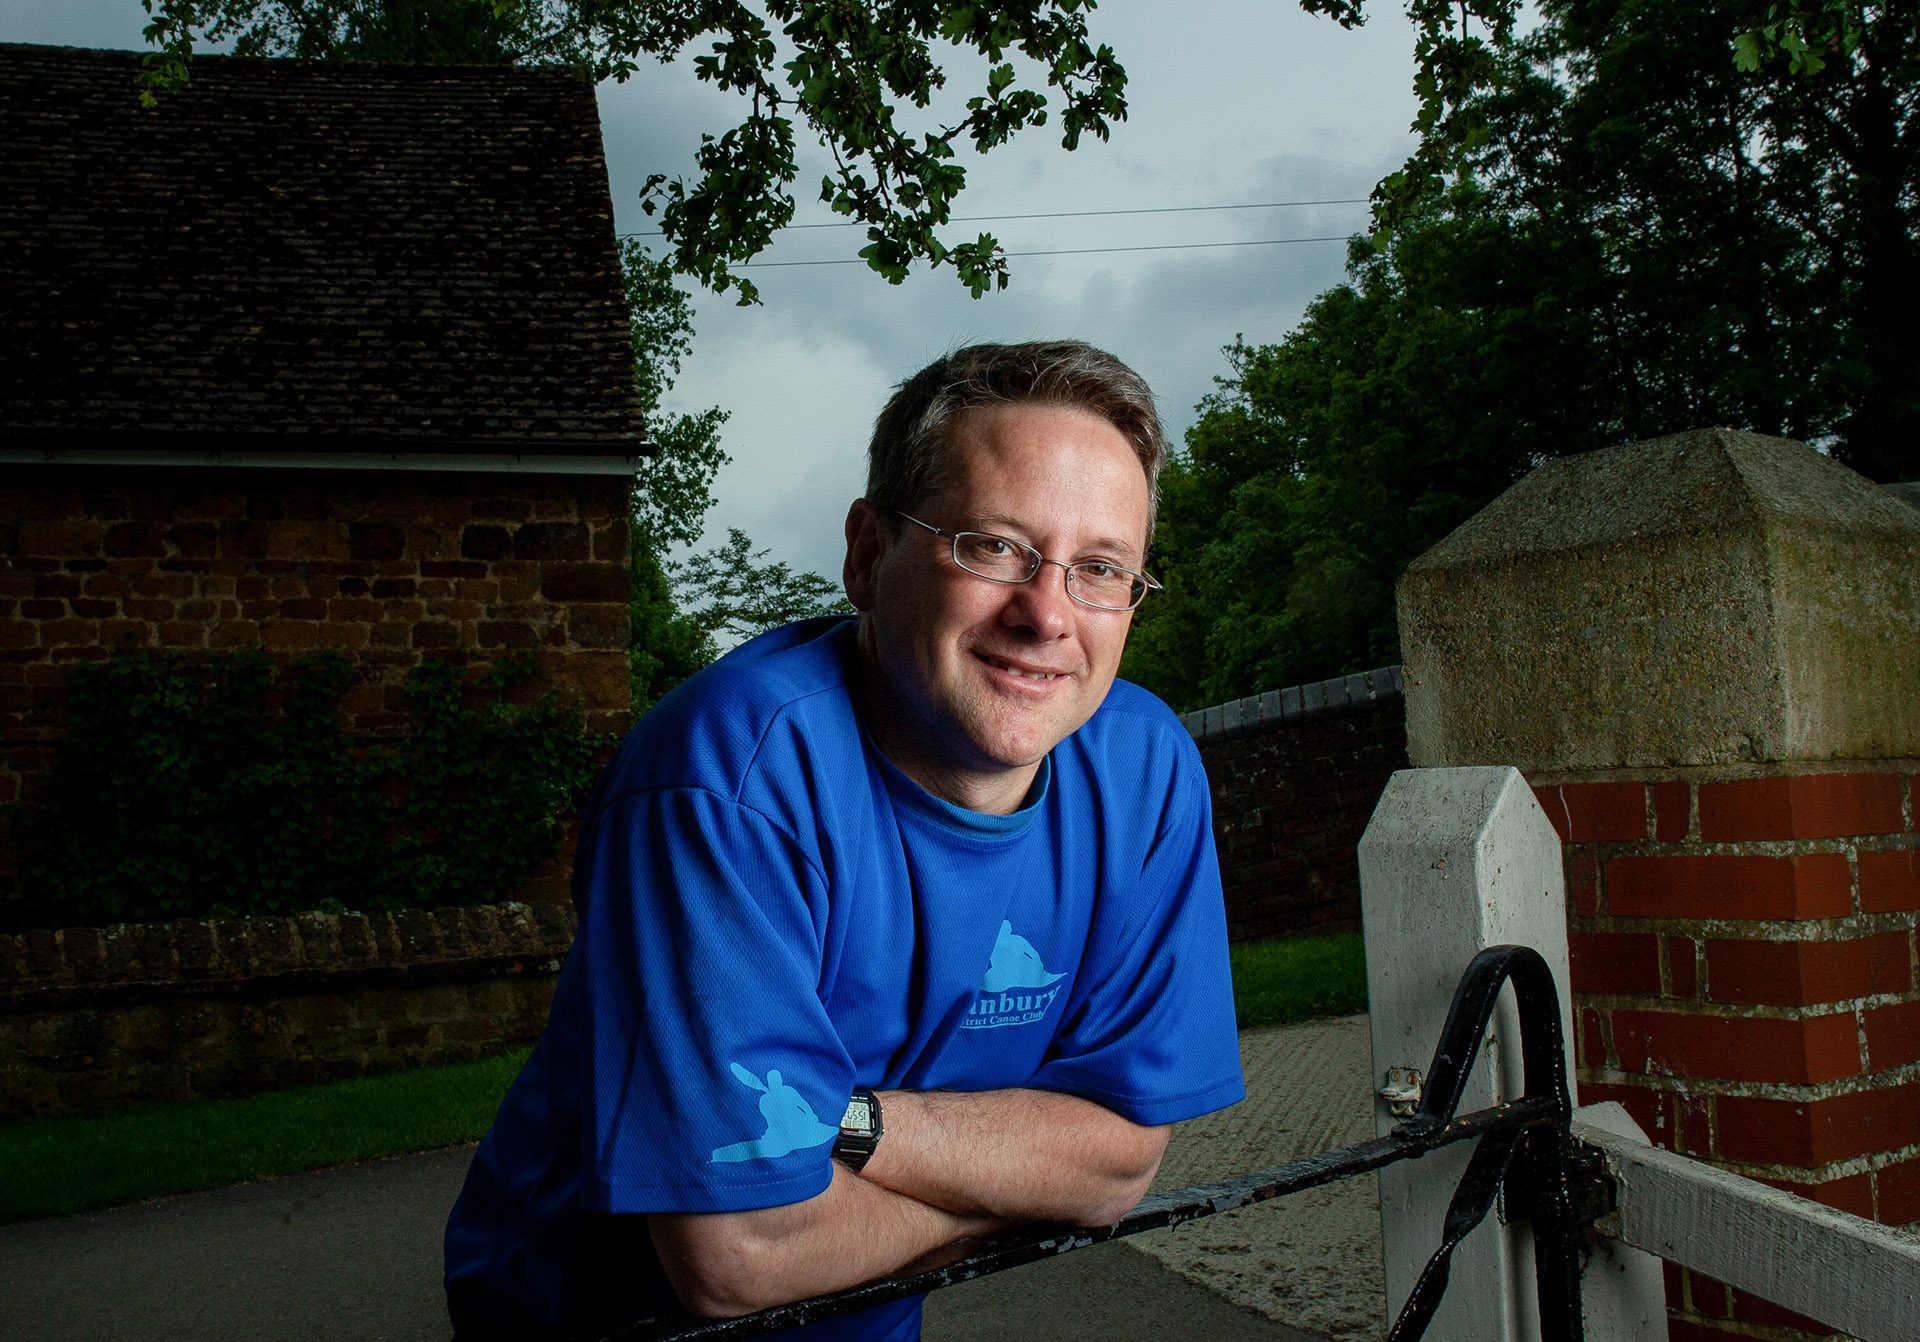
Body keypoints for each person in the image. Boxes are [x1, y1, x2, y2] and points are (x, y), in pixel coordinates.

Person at [444, 340, 1245, 1341]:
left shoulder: (1144, 770)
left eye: (1100, 569)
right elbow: (738, 1256)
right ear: (869, 555)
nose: (1047, 614)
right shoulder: (727, 779)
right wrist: (1025, 1178)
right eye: (993, 546)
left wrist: (846, 1121)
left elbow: (1121, 1159)